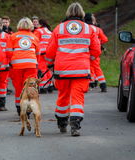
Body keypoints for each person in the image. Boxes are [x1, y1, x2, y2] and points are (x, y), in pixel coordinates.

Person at [46, 2, 101, 136]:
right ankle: (75, 125)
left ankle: (62, 122)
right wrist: (90, 59)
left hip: (62, 69)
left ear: (68, 12)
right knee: (77, 98)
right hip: (81, 69)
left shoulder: (59, 28)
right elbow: (96, 50)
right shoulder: (89, 29)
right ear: (81, 13)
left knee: (63, 96)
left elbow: (50, 50)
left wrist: (50, 63)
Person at [6, 17, 40, 116]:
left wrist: (12, 60)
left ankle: (19, 107)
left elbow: (8, 52)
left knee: (19, 87)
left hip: (16, 66)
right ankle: (29, 107)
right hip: (31, 65)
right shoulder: (34, 37)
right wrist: (35, 63)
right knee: (30, 87)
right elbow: (38, 53)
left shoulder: (13, 36)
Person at [85, 13, 108, 92]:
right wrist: (98, 42)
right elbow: (105, 39)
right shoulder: (97, 29)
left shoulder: (83, 28)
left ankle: (88, 84)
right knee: (97, 68)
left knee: (86, 68)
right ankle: (103, 84)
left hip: (85, 51)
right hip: (95, 51)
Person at [33, 19, 54, 93]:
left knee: (42, 69)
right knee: (48, 69)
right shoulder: (49, 32)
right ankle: (50, 85)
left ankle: (43, 87)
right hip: (48, 52)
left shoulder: (38, 31)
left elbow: (34, 41)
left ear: (41, 24)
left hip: (41, 52)